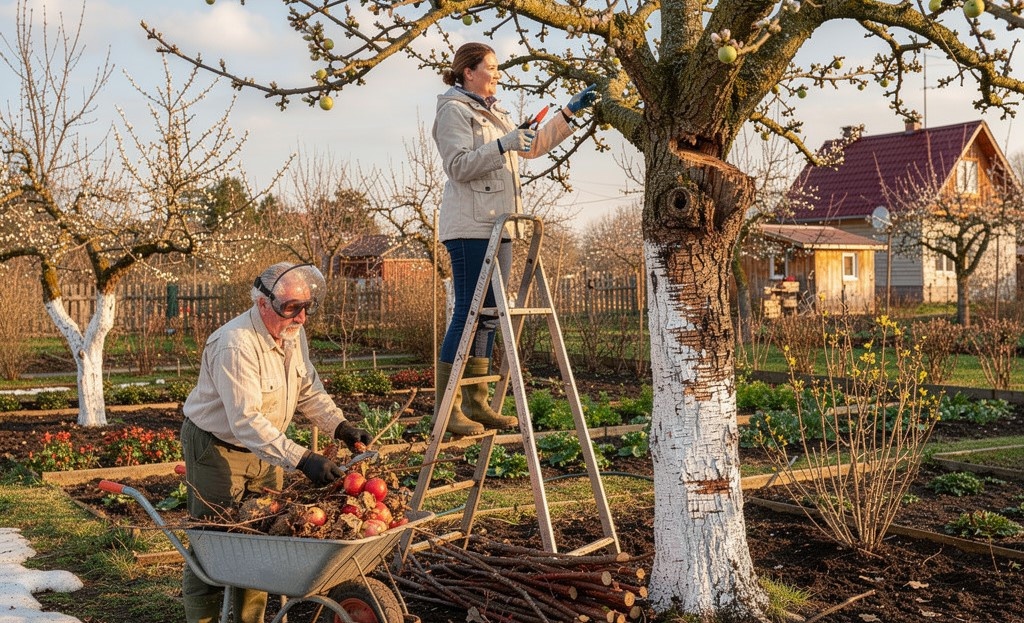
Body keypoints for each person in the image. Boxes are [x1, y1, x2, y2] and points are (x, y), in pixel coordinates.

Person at [179, 262, 371, 623]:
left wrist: (340, 426)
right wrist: (302, 460)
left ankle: (249, 620)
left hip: (266, 449)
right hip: (217, 448)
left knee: (263, 540)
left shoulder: (291, 335)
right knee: (214, 542)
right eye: (291, 308)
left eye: (306, 307)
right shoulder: (235, 345)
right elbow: (246, 422)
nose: (301, 318)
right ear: (262, 303)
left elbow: (307, 389)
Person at [432, 42, 598, 435]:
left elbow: (535, 146)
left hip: (501, 226)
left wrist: (567, 114)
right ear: (468, 72)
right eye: (491, 67)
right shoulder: (454, 111)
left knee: (489, 316)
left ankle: (478, 401)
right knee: (467, 314)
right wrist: (503, 144)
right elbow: (458, 166)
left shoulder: (496, 113)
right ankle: (448, 407)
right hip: (470, 226)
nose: (498, 74)